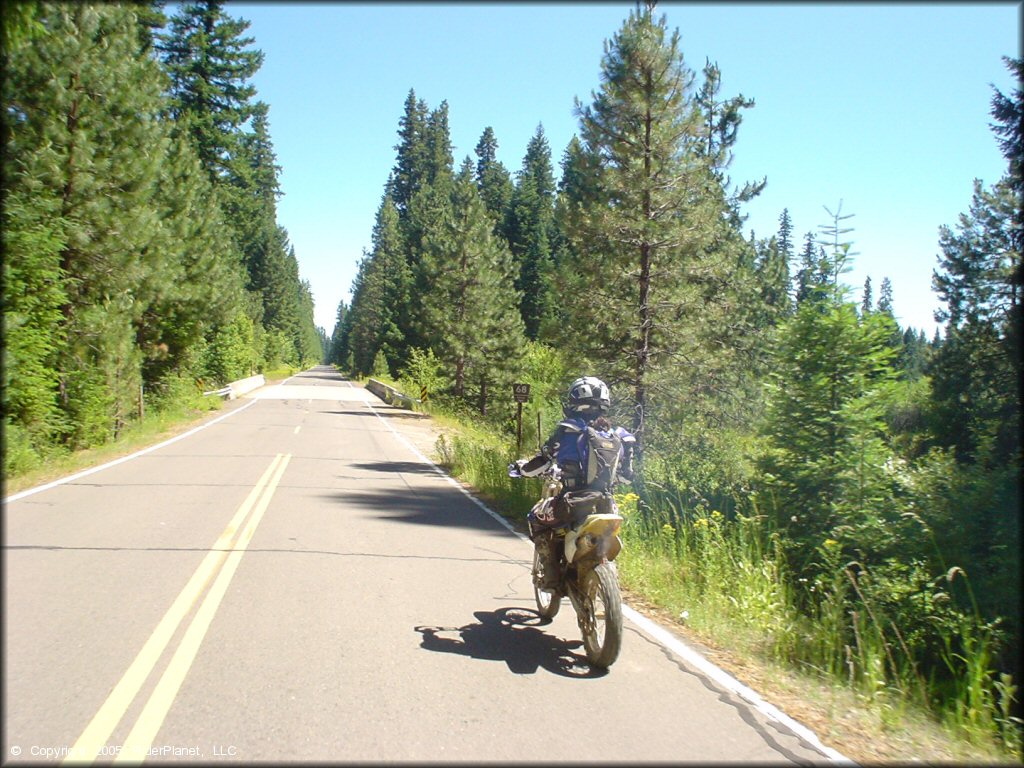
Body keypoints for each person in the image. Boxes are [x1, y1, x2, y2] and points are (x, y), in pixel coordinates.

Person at [511, 376, 636, 589]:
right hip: (607, 504)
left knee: (536, 518)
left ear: (575, 401)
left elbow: (544, 460)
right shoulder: (621, 436)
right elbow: (626, 477)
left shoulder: (569, 429)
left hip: (573, 503)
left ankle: (550, 577)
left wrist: (522, 469)